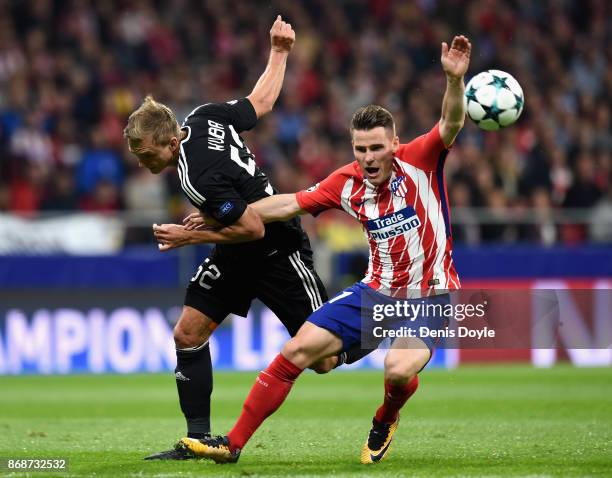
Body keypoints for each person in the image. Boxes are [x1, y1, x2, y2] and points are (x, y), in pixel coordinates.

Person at [164, 34, 471, 465]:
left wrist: (454, 81)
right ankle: (230, 445)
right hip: (376, 293)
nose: (368, 158)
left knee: (399, 371)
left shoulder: (421, 159)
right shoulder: (345, 181)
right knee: (297, 352)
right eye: (360, 149)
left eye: (377, 148)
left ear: (395, 143)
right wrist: (221, 218)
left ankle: (386, 415)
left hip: (431, 294)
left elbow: (451, 123)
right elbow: (287, 203)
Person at [123, 16, 366, 461]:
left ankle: (382, 316)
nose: (141, 162)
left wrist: (187, 237)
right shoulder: (203, 116)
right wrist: (279, 51)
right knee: (188, 332)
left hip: (276, 248)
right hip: (236, 251)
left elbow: (253, 226)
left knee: (325, 361)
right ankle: (197, 438)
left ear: (164, 140)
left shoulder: (197, 177)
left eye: (143, 153)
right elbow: (261, 102)